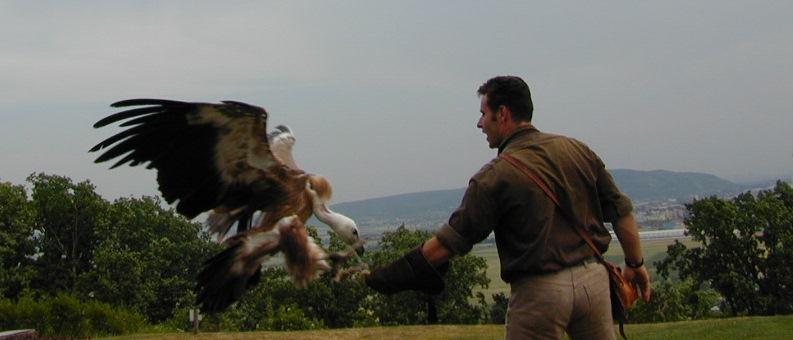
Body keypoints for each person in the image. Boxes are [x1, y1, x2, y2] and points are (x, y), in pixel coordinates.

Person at [365, 75, 652, 339]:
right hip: (594, 283)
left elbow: (448, 243)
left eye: (483, 114)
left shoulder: (494, 176)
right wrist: (635, 264)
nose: (479, 124)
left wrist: (387, 276)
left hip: (540, 293)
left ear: (502, 114)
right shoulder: (577, 150)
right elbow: (621, 211)